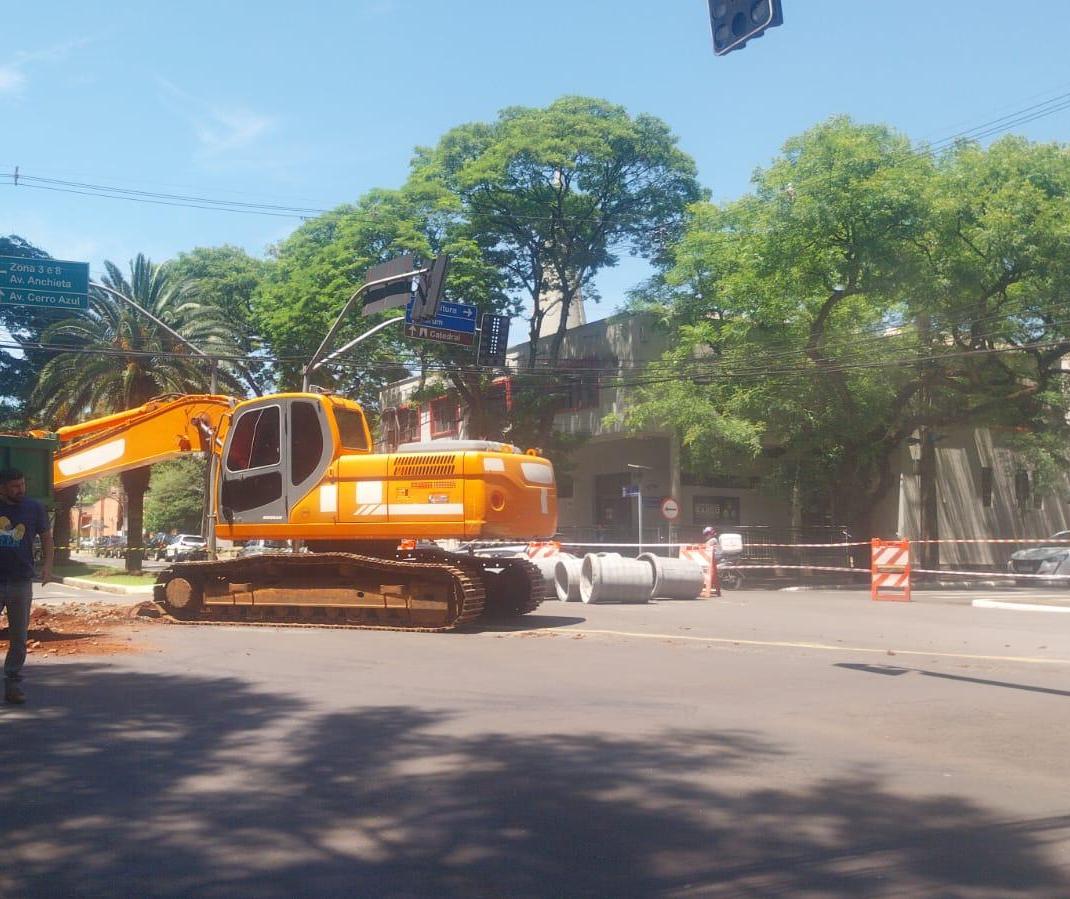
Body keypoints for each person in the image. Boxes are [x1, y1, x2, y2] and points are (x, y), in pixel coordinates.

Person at [0, 468, 54, 705]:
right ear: (2, 488)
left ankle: (12, 682)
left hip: (21, 581)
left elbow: (46, 537)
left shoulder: (34, 508)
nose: (20, 489)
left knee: (19, 636)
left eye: (22, 484)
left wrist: (48, 565)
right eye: (14, 486)